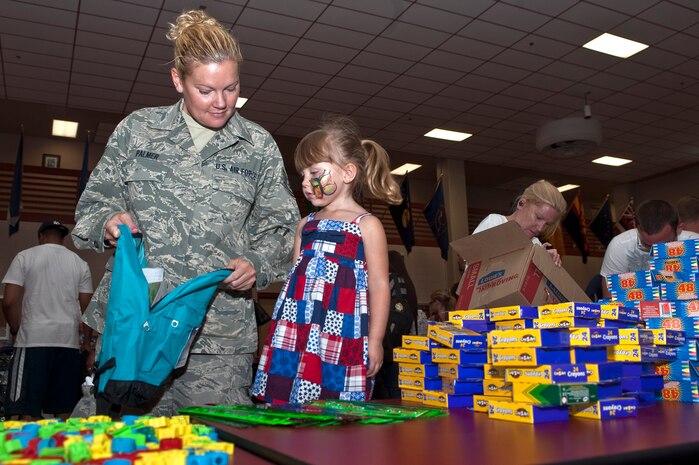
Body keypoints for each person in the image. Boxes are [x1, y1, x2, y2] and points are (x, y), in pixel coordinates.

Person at [72, 10, 299, 416]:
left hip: (219, 336)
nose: (221, 102)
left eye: (231, 88)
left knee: (212, 447)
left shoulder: (258, 146)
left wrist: (256, 263)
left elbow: (282, 231)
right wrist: (107, 221)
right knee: (122, 447)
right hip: (137, 324)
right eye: (206, 90)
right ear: (178, 80)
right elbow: (89, 209)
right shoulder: (137, 131)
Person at [251, 115, 402, 404]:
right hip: (297, 327)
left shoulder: (366, 224)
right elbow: (295, 281)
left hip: (342, 326)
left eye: (314, 172)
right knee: (287, 399)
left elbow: (380, 285)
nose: (306, 182)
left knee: (337, 400)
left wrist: (376, 339)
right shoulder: (304, 224)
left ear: (348, 173)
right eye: (303, 175)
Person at [2, 220, 93, 420]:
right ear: (63, 239)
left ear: (40, 236)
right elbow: (87, 308)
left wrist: (16, 329)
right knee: (64, 411)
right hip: (68, 344)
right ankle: (62, 450)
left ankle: (26, 450)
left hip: (33, 341)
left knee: (26, 411)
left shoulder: (24, 256)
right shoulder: (79, 263)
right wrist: (86, 341)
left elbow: (8, 302)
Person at [600, 199, 699, 298]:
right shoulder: (620, 245)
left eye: (663, 245)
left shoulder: (694, 243)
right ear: (637, 228)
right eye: (647, 245)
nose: (654, 252)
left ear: (679, 228)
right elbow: (610, 296)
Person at [472, 179, 567, 266]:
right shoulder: (495, 223)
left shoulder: (535, 244)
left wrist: (546, 263)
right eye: (538, 217)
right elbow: (469, 263)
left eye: (547, 224)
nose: (540, 228)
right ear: (522, 203)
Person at [373, 250, 418, 399]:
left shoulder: (393, 279)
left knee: (390, 389)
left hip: (390, 346)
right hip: (397, 345)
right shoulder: (403, 280)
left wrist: (384, 340)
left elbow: (398, 312)